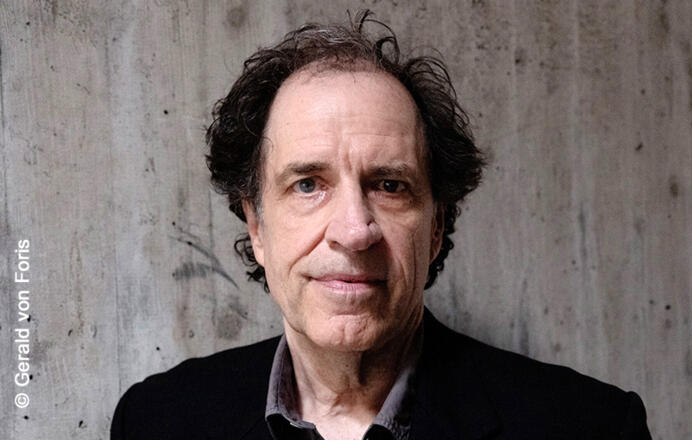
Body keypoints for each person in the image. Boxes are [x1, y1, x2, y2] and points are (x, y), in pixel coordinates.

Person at [111, 11, 651, 440]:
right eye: (308, 184)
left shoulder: (591, 427)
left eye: (390, 185)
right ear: (256, 225)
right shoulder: (156, 422)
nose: (353, 231)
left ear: (436, 225)